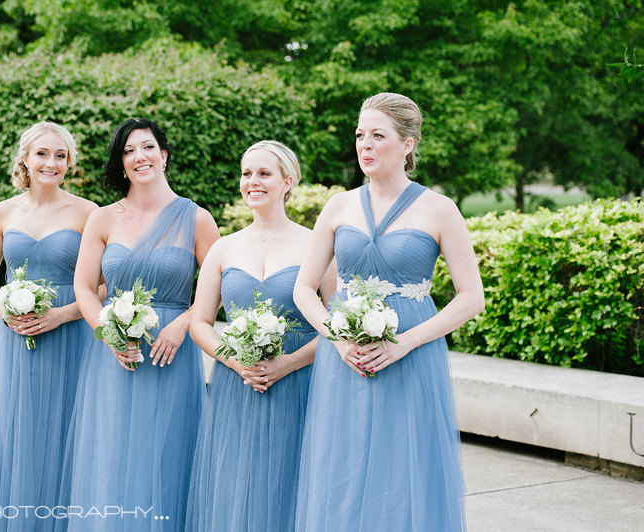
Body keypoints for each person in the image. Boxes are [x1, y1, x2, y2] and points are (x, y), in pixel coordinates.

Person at [293, 93, 484, 532]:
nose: (366, 144)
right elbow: (304, 289)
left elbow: (471, 296)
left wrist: (405, 342)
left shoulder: (439, 208)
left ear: (407, 144)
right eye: (360, 135)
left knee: (403, 465)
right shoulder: (339, 206)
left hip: (411, 354)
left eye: (378, 135)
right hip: (344, 357)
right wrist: (336, 338)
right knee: (342, 463)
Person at [59, 118, 220, 532]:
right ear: (122, 164)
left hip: (171, 357)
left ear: (163, 156)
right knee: (111, 454)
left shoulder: (197, 218)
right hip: (115, 354)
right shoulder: (103, 219)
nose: (139, 157)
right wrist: (107, 331)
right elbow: (84, 285)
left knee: (166, 454)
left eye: (147, 147)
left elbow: (218, 290)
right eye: (128, 151)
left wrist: (184, 321)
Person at [185, 141, 337, 532]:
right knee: (237, 481)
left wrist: (285, 364)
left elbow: (339, 324)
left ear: (288, 182)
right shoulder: (224, 248)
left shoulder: (317, 246)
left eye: (264, 174)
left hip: (301, 381)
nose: (253, 181)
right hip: (238, 383)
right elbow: (200, 322)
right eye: (247, 173)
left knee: (296, 477)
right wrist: (236, 362)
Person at [0, 121, 98, 531]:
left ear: (69, 163)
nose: (51, 162)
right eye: (42, 154)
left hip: (72, 335)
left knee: (69, 434)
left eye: (60, 155)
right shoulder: (4, 211)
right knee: (20, 434)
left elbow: (101, 284)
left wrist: (62, 314)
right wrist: (5, 311)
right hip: (17, 338)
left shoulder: (87, 212)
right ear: (25, 158)